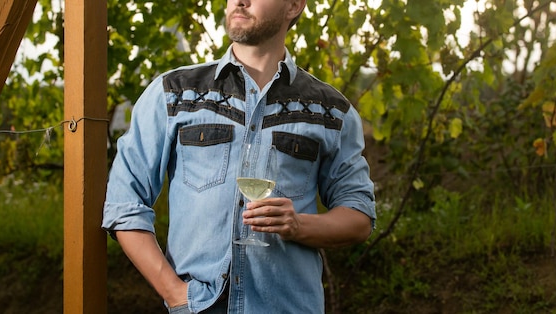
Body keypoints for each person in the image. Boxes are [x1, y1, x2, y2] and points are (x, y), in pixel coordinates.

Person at [102, 0, 376, 312]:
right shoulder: (173, 93)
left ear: (294, 6)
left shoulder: (332, 111)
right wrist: (178, 295)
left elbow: (358, 217)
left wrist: (298, 225)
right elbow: (124, 204)